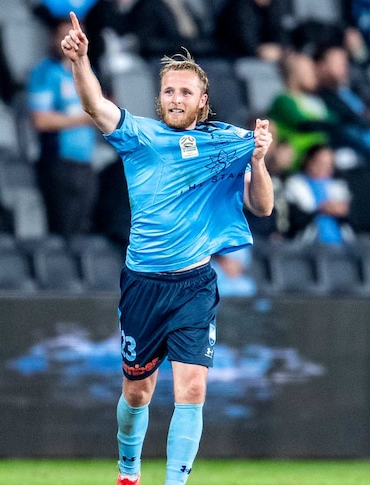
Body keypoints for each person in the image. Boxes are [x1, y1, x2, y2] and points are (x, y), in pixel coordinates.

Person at [60, 11, 273, 485]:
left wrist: (258, 160)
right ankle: (128, 469)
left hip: (194, 284)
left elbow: (261, 207)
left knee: (192, 388)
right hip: (143, 284)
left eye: (185, 92)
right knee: (137, 393)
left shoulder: (228, 143)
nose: (176, 98)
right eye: (169, 91)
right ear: (160, 99)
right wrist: (81, 61)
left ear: (202, 101)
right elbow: (96, 105)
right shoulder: (141, 137)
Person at [28, 15, 100, 237]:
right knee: (62, 231)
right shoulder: (46, 73)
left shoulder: (87, 73)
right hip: (58, 164)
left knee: (82, 230)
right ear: (53, 39)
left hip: (85, 163)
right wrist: (84, 118)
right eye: (64, 36)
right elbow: (41, 120)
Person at [283, 143, 355, 246]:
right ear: (308, 161)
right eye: (320, 163)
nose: (323, 168)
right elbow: (296, 216)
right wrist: (322, 208)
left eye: (328, 164)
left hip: (340, 243)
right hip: (308, 243)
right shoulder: (294, 184)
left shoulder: (337, 186)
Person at [213, 0, 288, 62]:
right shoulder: (239, 6)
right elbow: (245, 40)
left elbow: (279, 31)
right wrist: (260, 50)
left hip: (265, 58)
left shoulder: (274, 5)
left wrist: (279, 49)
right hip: (235, 59)